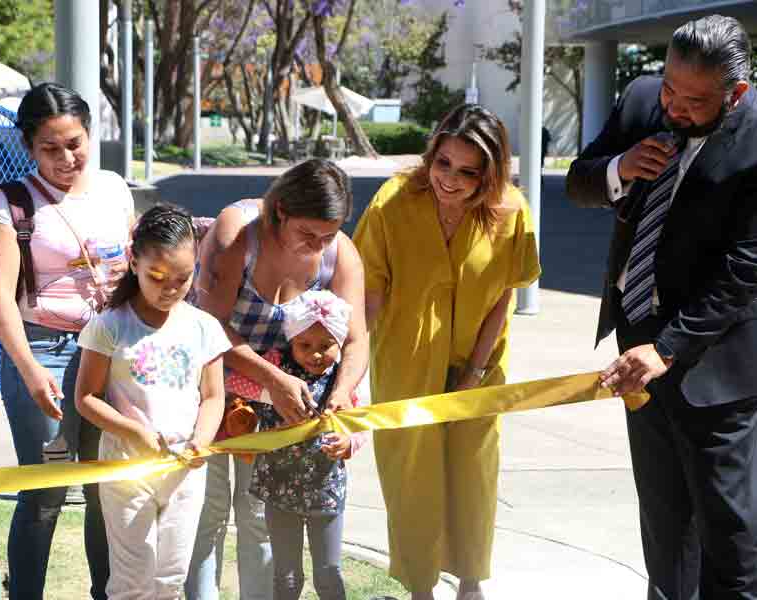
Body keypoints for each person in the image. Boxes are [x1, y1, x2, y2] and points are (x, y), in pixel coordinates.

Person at [566, 15, 757, 598]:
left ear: (737, 93)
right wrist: (619, 170)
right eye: (670, 86)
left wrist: (668, 347)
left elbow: (745, 268)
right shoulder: (646, 99)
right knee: (664, 525)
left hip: (715, 368)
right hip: (637, 351)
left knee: (729, 536)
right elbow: (579, 181)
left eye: (694, 100)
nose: (673, 106)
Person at [353, 104, 541, 600]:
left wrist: (476, 369)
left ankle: (472, 583)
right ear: (431, 155)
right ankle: (420, 588)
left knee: (474, 473)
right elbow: (370, 292)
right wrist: (349, 368)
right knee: (411, 476)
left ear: (490, 174)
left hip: (480, 363)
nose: (450, 181)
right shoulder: (393, 200)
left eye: (468, 172)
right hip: (404, 361)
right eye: (443, 164)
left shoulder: (513, 212)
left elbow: (505, 295)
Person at [185, 159, 369, 600]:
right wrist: (271, 378)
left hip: (279, 409)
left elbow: (357, 339)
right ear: (280, 210)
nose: (318, 246)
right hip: (211, 390)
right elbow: (209, 324)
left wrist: (342, 392)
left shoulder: (340, 253)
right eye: (308, 234)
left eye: (328, 235)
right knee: (206, 513)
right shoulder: (237, 234)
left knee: (259, 517)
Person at [0, 82, 135, 600]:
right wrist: (29, 368)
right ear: (28, 148)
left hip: (108, 352)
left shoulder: (114, 188)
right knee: (45, 492)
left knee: (103, 487)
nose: (67, 158)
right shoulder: (11, 202)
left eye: (75, 143)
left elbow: (137, 268)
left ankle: (106, 593)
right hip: (42, 352)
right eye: (50, 148)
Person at [74, 203, 228, 600]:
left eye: (182, 278)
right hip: (127, 469)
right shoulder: (109, 326)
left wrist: (202, 439)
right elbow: (86, 398)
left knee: (170, 580)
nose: (170, 289)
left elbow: (213, 396)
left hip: (185, 471)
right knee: (132, 583)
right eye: (157, 277)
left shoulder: (203, 327)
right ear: (133, 261)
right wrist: (134, 431)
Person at [224, 290, 366, 600]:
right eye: (305, 345)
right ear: (291, 340)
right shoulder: (275, 365)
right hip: (279, 489)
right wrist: (268, 395)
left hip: (325, 489)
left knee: (328, 573)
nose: (315, 355)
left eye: (326, 346)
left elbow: (360, 421)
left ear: (339, 343)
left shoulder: (342, 379)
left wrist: (349, 442)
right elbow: (232, 381)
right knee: (286, 578)